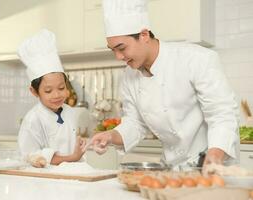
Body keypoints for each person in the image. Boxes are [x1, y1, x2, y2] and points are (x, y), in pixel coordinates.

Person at [89, 0, 240, 169]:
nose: (118, 57)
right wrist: (110, 136)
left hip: (213, 163)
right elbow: (135, 123)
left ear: (144, 35)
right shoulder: (129, 75)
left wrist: (215, 155)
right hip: (171, 169)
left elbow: (222, 114)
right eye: (113, 50)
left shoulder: (197, 59)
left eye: (122, 48)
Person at [17, 29, 86, 167]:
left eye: (61, 88)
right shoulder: (33, 119)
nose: (57, 95)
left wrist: (81, 144)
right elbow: (32, 156)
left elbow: (69, 143)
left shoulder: (69, 111)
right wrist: (72, 157)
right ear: (34, 92)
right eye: (48, 91)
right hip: (46, 179)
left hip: (72, 173)